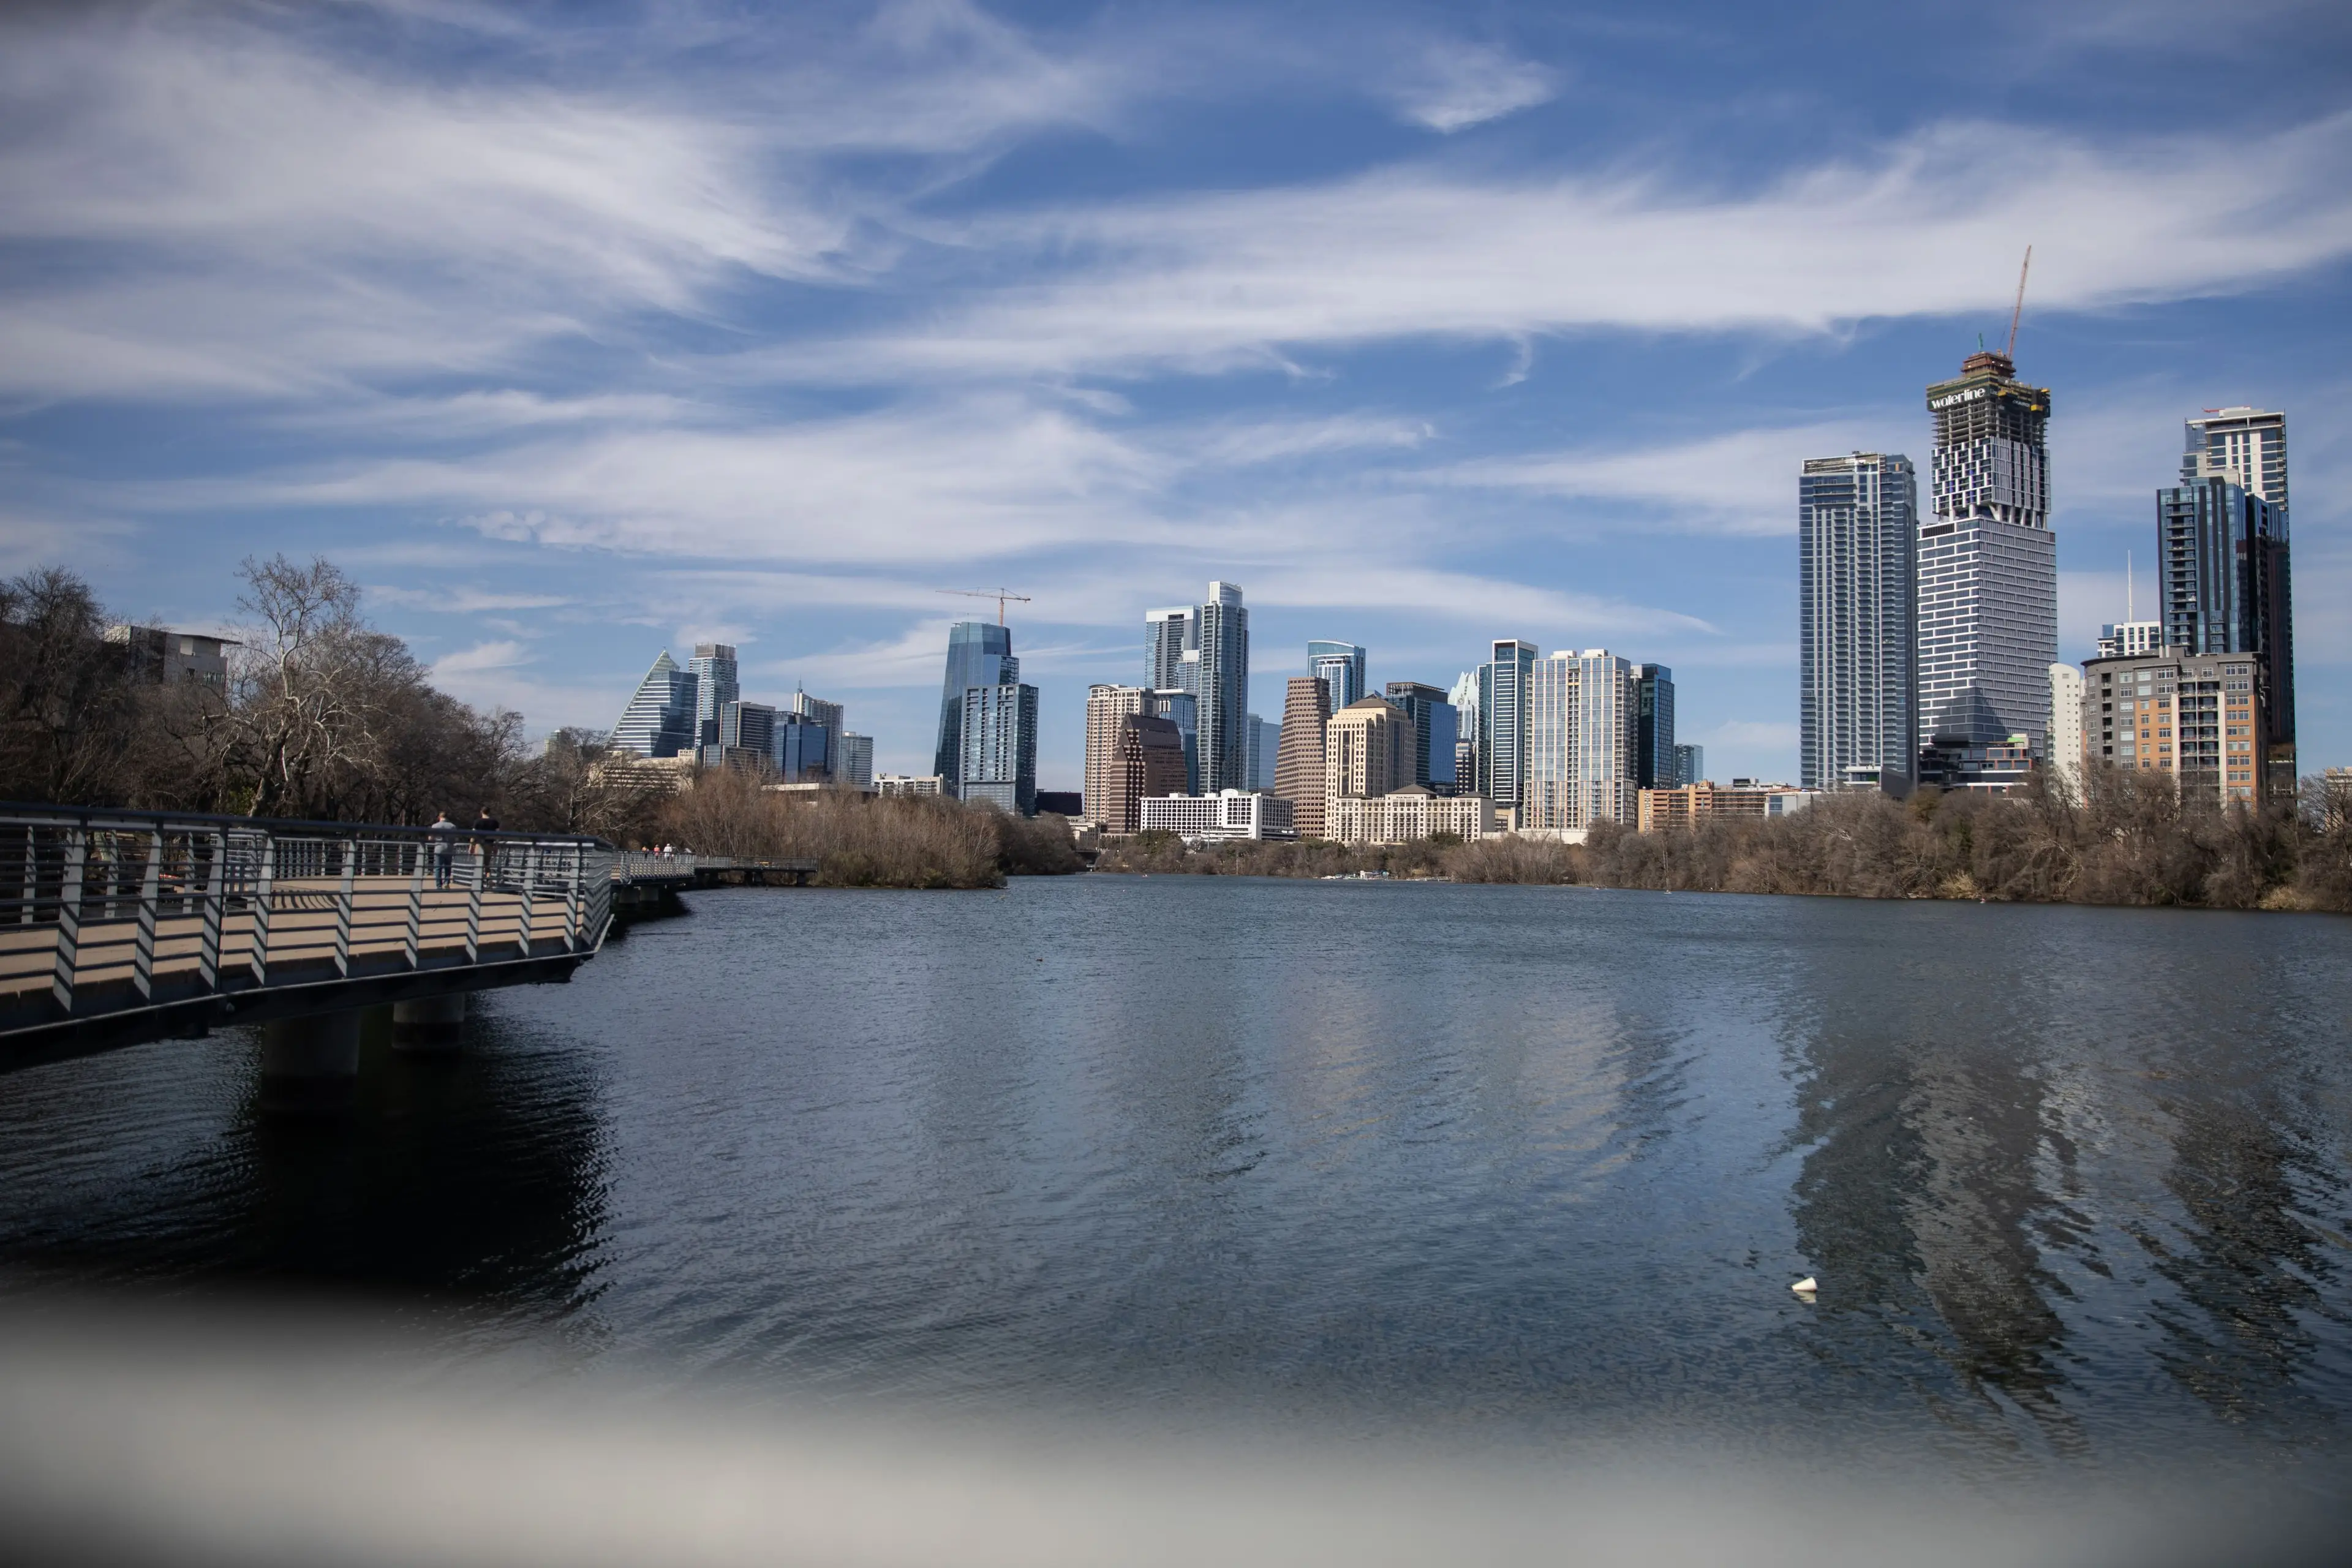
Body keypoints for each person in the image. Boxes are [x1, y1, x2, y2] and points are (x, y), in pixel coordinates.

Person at [428, 811, 458, 889]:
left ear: (439, 817)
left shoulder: (435, 826)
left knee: (438, 868)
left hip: (439, 848)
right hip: (449, 848)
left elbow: (430, 838)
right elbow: (455, 838)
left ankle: (439, 885)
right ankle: (446, 883)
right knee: (448, 867)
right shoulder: (453, 826)